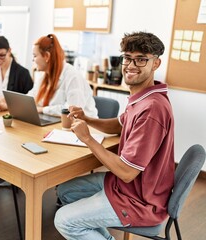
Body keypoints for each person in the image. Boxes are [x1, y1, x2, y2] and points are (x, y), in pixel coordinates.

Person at [54, 31, 175, 240]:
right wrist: (88, 119)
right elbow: (119, 125)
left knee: (63, 220)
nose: (130, 65)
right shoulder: (144, 97)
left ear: (156, 64)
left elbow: (127, 172)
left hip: (139, 200)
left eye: (141, 60)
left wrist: (87, 138)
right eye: (127, 58)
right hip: (127, 187)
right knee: (65, 192)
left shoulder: (152, 110)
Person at [0, 33, 98, 117]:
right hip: (57, 124)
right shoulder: (43, 76)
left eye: (35, 56)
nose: (33, 60)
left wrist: (42, 110)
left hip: (86, 128)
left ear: (47, 56)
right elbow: (31, 99)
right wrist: (9, 105)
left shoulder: (72, 76)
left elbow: (72, 110)